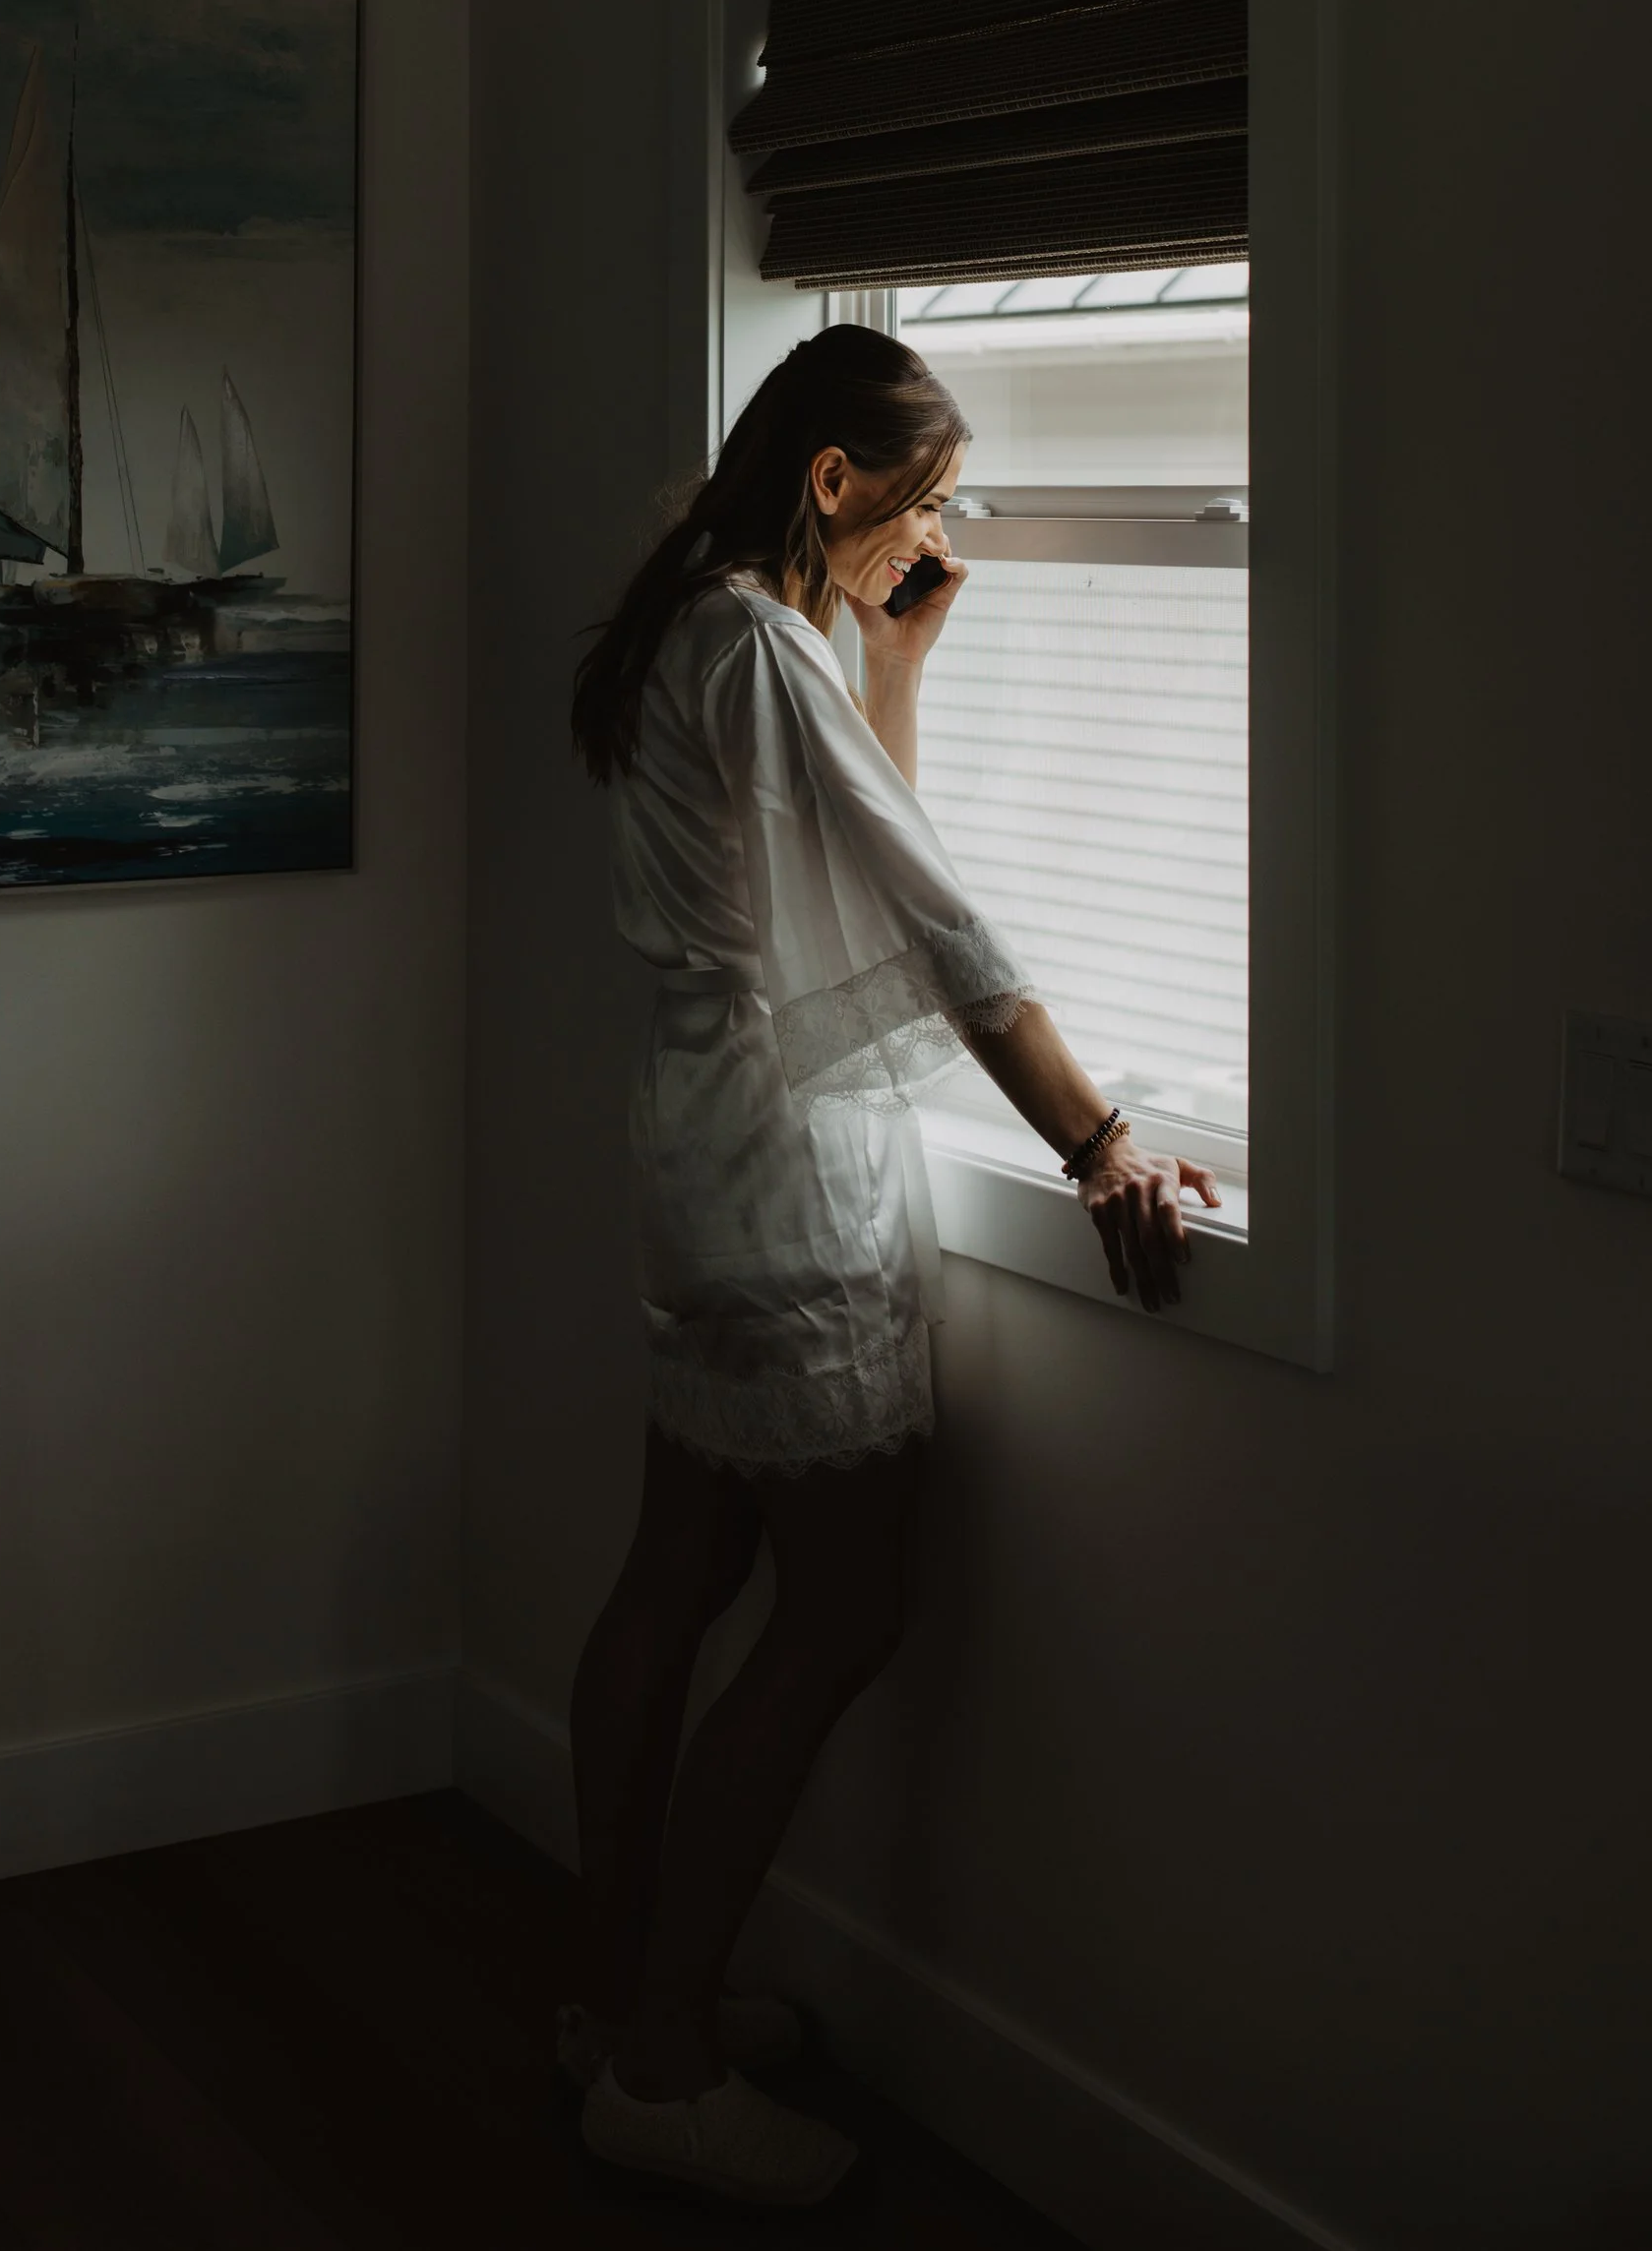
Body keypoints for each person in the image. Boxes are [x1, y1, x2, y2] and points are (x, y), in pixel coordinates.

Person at [561, 323, 1220, 2205]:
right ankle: (666, 2064)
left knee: (677, 1574)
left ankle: (615, 2000)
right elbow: (934, 922)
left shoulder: (703, 624)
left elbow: (847, 855)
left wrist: (894, 664)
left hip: (699, 1151)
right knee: (842, 1613)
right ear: (834, 482)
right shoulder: (760, 648)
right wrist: (1094, 1141)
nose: (930, 537)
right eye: (920, 504)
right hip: (783, 1179)